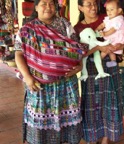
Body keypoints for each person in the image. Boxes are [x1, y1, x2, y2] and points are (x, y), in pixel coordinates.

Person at [14, 0, 87, 144]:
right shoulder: (27, 29)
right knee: (41, 120)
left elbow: (77, 49)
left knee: (66, 119)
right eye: (44, 3)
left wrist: (79, 65)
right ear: (36, 7)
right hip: (39, 86)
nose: (48, 7)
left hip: (65, 85)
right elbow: (18, 54)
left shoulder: (65, 25)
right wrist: (28, 78)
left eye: (52, 4)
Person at [74, 0, 124, 144]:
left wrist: (121, 45)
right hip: (90, 69)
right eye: (88, 4)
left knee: (111, 100)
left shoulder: (108, 17)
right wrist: (99, 48)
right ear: (80, 7)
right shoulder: (77, 28)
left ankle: (105, 139)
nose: (93, 7)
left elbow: (121, 35)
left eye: (95, 4)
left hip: (110, 66)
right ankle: (91, 138)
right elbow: (79, 54)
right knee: (92, 104)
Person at [96, 0, 124, 67]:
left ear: (119, 10)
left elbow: (113, 29)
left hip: (117, 38)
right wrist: (96, 29)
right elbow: (102, 25)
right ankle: (113, 61)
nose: (109, 12)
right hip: (112, 38)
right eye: (107, 10)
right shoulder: (108, 18)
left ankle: (98, 59)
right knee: (111, 50)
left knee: (107, 49)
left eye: (111, 10)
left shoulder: (118, 19)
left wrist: (105, 33)